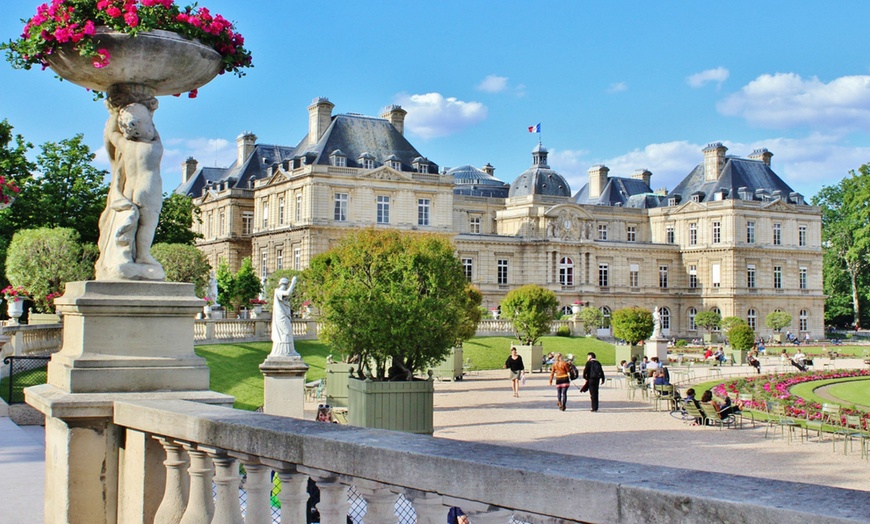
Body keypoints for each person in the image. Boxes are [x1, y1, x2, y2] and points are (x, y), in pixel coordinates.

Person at [97, 91, 166, 281]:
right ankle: (143, 255)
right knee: (147, 224)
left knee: (132, 223)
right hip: (149, 188)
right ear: (148, 128)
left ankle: (127, 254)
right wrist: (148, 115)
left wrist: (117, 114)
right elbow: (153, 132)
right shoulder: (154, 147)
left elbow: (111, 134)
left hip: (129, 190)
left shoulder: (126, 146)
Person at [270, 276, 299, 357]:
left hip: (285, 316)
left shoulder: (281, 293)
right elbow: (288, 293)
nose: (285, 286)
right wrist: (293, 283)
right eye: (285, 285)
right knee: (286, 332)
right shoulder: (278, 291)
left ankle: (291, 350)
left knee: (288, 332)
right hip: (281, 317)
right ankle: (285, 352)